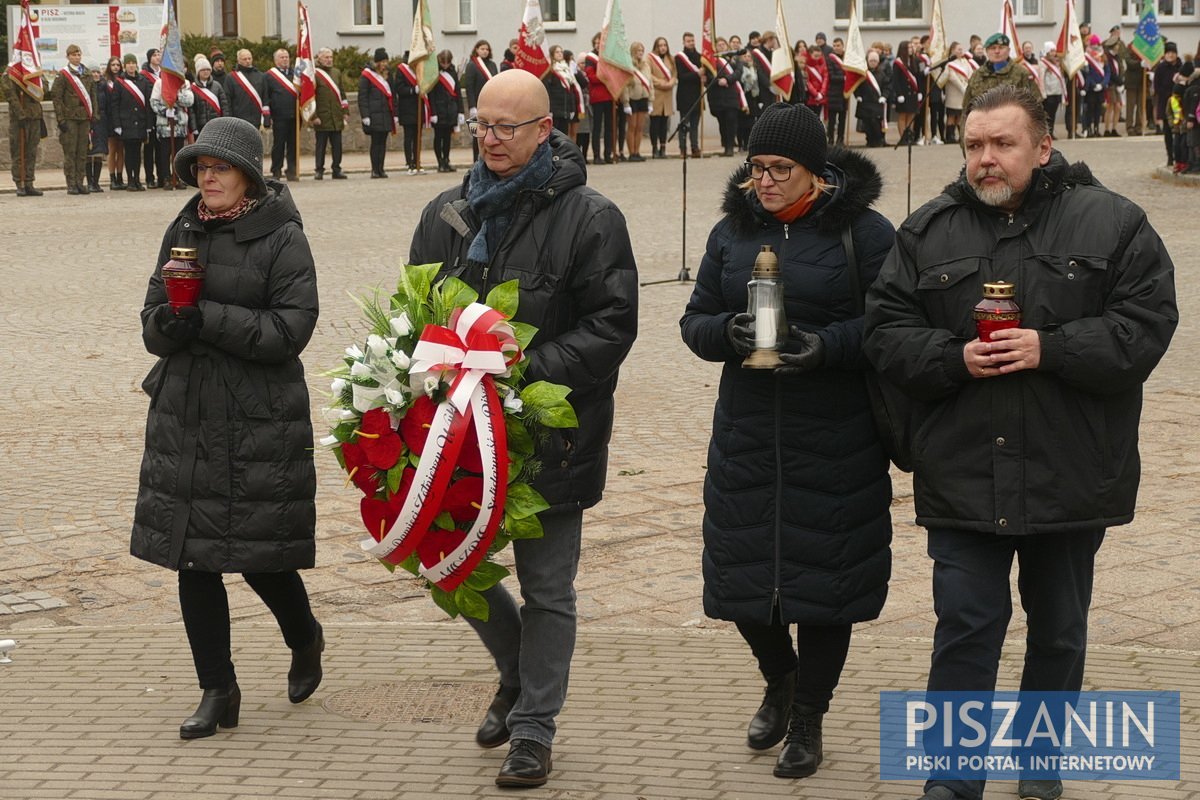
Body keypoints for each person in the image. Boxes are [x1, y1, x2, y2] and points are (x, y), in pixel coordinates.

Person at [864, 85, 1177, 800]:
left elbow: (1146, 327)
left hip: (1069, 470)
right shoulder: (925, 232)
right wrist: (950, 357)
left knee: (1060, 628)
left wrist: (1053, 347)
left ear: (1043, 146)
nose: (985, 160)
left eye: (1002, 144)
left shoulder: (1115, 224)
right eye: (973, 145)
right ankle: (952, 778)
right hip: (962, 469)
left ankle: (1041, 768)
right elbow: (884, 333)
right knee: (967, 624)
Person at [407, 68, 638, 789]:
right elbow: (418, 311)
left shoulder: (591, 217)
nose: (491, 138)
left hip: (548, 433)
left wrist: (521, 371)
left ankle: (534, 728)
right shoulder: (447, 211)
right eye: (482, 123)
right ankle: (513, 671)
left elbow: (612, 325)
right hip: (458, 433)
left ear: (545, 129)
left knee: (548, 588)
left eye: (507, 127)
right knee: (452, 564)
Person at [679, 101, 895, 781]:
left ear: (816, 171)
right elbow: (696, 319)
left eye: (780, 168)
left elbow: (892, 326)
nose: (764, 181)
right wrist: (726, 336)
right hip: (747, 429)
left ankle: (808, 715)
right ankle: (780, 678)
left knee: (828, 581)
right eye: (755, 168)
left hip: (835, 433)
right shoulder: (731, 232)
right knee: (741, 572)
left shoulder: (866, 233)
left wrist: (826, 346)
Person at [132, 115, 325, 741]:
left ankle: (305, 636)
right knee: (195, 556)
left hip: (256, 418)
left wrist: (206, 316)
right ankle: (219, 689)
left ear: (247, 174)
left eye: (219, 168)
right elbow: (151, 318)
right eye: (200, 168)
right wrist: (171, 325)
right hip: (187, 414)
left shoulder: (282, 237)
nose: (207, 177)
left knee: (262, 557)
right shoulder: (183, 226)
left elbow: (288, 332)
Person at [960, 33, 1039, 141]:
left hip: (1012, 138)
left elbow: (1036, 108)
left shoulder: (1021, 74)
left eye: (1001, 47)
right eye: (993, 48)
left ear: (1008, 50)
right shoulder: (977, 75)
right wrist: (964, 141)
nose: (997, 51)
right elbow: (966, 110)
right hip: (981, 138)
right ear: (987, 51)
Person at [51, 44, 98, 195]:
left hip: (84, 117)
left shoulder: (87, 74)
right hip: (70, 118)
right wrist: (61, 119)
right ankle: (71, 183)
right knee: (70, 152)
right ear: (68, 57)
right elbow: (56, 98)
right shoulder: (63, 75)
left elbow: (92, 96)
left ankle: (80, 182)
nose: (76, 57)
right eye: (73, 55)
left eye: (78, 55)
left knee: (82, 152)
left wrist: (94, 116)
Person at [111, 52, 152, 191]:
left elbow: (148, 104)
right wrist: (117, 124)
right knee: (129, 153)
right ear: (125, 65)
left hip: (140, 122)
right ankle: (130, 180)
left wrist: (148, 125)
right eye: (128, 63)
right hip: (126, 123)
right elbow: (114, 104)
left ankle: (137, 180)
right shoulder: (120, 82)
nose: (131, 66)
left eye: (133, 63)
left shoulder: (143, 81)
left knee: (138, 153)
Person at [150, 70, 194, 190]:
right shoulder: (159, 83)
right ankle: (166, 178)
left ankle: (178, 177)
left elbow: (189, 101)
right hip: (164, 124)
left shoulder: (184, 83)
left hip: (179, 124)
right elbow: (153, 102)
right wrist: (165, 111)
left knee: (178, 153)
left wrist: (176, 93)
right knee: (164, 154)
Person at [310, 47, 347, 179]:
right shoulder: (314, 74)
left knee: (337, 145)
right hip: (322, 116)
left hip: (336, 115)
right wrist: (313, 116)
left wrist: (345, 111)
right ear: (319, 58)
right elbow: (310, 97)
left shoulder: (336, 73)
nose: (329, 60)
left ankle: (336, 169)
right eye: (326, 57)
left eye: (331, 57)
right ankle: (319, 169)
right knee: (321, 145)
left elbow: (342, 93)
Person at [359, 48, 396, 178]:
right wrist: (365, 115)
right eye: (382, 61)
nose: (385, 64)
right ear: (377, 62)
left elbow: (393, 96)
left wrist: (394, 114)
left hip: (385, 114)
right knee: (376, 143)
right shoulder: (367, 76)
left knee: (383, 143)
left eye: (386, 61)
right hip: (373, 115)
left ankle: (381, 168)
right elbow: (362, 97)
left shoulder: (388, 75)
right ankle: (374, 169)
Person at [264, 48, 299, 180]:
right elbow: (266, 96)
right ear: (276, 60)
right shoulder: (269, 76)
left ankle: (292, 169)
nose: (285, 59)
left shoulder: (296, 74)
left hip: (294, 115)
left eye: (287, 57)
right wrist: (268, 116)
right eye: (282, 57)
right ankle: (276, 170)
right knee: (279, 145)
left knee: (293, 145)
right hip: (279, 116)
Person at [429, 49, 464, 173]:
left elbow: (457, 92)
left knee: (448, 138)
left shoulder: (452, 72)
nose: (445, 65)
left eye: (447, 63)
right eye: (443, 63)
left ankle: (447, 160)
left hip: (450, 110)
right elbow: (431, 94)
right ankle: (440, 162)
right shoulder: (434, 72)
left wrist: (460, 111)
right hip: (438, 110)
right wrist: (432, 112)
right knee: (439, 137)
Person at [582, 33, 615, 164]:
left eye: (600, 42)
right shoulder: (590, 58)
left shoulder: (608, 56)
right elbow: (591, 77)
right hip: (597, 96)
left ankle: (608, 154)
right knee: (597, 127)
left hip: (609, 95)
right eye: (596, 42)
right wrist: (605, 78)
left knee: (609, 127)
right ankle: (597, 155)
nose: (598, 45)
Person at [708, 37, 744, 157]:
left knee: (731, 120)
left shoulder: (734, 58)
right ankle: (725, 145)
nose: (722, 46)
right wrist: (718, 81)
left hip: (731, 95)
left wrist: (727, 79)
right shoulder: (712, 60)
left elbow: (739, 72)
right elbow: (708, 76)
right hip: (717, 96)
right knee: (722, 122)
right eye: (719, 44)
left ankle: (730, 147)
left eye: (723, 44)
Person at [463, 40, 498, 163]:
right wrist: (472, 106)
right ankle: (476, 161)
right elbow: (469, 86)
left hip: (492, 105)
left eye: (487, 49)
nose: (485, 51)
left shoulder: (492, 65)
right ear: (476, 49)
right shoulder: (472, 65)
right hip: (477, 105)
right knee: (477, 135)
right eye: (482, 49)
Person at [393, 51, 424, 174]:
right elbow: (399, 88)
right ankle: (409, 162)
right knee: (409, 137)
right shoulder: (402, 70)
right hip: (406, 109)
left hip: (418, 109)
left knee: (418, 137)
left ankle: (417, 161)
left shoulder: (420, 69)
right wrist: (413, 90)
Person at [675, 32, 705, 158]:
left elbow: (705, 75)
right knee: (684, 124)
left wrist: (704, 77)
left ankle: (695, 147)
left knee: (694, 125)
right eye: (688, 41)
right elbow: (681, 76)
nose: (691, 43)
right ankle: (683, 149)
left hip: (697, 95)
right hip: (684, 95)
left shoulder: (701, 57)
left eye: (692, 40)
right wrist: (697, 74)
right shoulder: (679, 58)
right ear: (683, 42)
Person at [939, 42, 975, 145]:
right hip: (953, 93)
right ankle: (949, 136)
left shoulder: (964, 61)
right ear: (953, 50)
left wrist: (968, 86)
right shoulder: (950, 63)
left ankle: (961, 136)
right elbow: (952, 78)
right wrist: (963, 88)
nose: (961, 51)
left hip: (964, 91)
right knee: (951, 115)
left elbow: (970, 73)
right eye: (958, 49)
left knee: (960, 115)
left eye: (961, 49)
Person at [620, 41, 651, 161]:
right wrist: (626, 102)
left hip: (643, 97)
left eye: (642, 51)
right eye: (638, 50)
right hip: (632, 99)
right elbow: (625, 86)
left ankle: (637, 152)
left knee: (640, 127)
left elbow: (650, 83)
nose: (640, 53)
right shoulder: (628, 66)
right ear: (633, 51)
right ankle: (631, 152)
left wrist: (650, 100)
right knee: (632, 126)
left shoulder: (646, 65)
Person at [646, 36, 677, 158]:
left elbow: (675, 74)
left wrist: (671, 82)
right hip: (656, 93)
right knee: (655, 122)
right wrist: (661, 83)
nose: (663, 48)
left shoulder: (671, 59)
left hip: (667, 94)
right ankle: (654, 148)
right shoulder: (650, 59)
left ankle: (663, 148)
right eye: (660, 45)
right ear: (656, 47)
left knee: (664, 123)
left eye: (664, 45)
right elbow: (648, 75)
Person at [1153, 42, 1182, 165]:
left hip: (1179, 104)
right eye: (1168, 53)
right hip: (1166, 103)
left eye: (1172, 53)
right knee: (1168, 132)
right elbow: (1157, 85)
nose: (1170, 55)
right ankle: (1170, 156)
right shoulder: (1161, 68)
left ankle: (1180, 157)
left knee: (1180, 132)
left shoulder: (1181, 66)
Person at [227, 49, 269, 130]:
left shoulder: (260, 76)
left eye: (249, 58)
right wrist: (229, 120)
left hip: (256, 119)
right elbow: (228, 100)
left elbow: (265, 98)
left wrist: (266, 119)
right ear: (238, 60)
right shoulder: (231, 77)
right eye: (245, 59)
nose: (248, 61)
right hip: (238, 120)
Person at [854, 50, 888, 148]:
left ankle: (877, 140)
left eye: (875, 61)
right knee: (867, 123)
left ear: (877, 62)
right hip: (865, 102)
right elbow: (857, 86)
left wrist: (884, 96)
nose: (873, 63)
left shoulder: (882, 74)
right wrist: (858, 95)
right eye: (871, 61)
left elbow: (887, 86)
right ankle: (869, 140)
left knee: (875, 123)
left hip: (877, 103)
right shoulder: (863, 73)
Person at [545, 45, 580, 136]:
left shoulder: (567, 70)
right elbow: (548, 92)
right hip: (555, 111)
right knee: (554, 136)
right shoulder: (550, 71)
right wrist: (550, 110)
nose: (560, 54)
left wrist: (572, 109)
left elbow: (571, 92)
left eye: (561, 51)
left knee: (564, 137)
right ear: (552, 54)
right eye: (557, 52)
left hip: (566, 110)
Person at [103, 57, 126, 189]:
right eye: (113, 65)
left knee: (121, 150)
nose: (116, 67)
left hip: (122, 119)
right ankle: (112, 178)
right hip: (110, 119)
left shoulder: (123, 81)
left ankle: (120, 177)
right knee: (112, 150)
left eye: (118, 65)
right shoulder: (105, 82)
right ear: (109, 66)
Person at [892, 41, 921, 145]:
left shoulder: (913, 61)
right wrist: (899, 94)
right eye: (908, 47)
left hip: (912, 93)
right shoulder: (898, 63)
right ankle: (903, 138)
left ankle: (909, 136)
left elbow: (917, 77)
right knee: (903, 116)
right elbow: (895, 80)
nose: (911, 49)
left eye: (911, 47)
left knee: (911, 116)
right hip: (903, 94)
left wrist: (919, 92)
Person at [191, 53, 226, 136]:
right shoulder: (193, 88)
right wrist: (194, 127)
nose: (206, 72)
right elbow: (192, 110)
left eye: (208, 69)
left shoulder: (217, 86)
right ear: (198, 72)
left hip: (216, 124)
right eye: (203, 70)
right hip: (200, 125)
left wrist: (225, 122)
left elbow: (224, 106)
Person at [141, 48, 162, 187]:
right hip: (149, 116)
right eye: (154, 55)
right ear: (149, 58)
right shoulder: (143, 75)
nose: (157, 57)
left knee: (162, 149)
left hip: (163, 115)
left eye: (159, 54)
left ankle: (162, 176)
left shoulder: (165, 74)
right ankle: (149, 177)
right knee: (149, 149)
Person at [86, 65, 108, 193]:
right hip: (90, 121)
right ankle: (89, 182)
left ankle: (96, 183)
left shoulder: (104, 87)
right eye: (93, 72)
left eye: (97, 72)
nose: (95, 74)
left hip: (102, 122)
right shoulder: (86, 86)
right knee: (89, 153)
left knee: (99, 153)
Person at [825, 38, 848, 145]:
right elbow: (832, 76)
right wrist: (843, 78)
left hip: (845, 93)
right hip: (833, 93)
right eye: (834, 46)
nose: (836, 47)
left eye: (838, 45)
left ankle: (840, 140)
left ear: (843, 46)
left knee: (842, 118)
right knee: (832, 119)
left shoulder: (847, 58)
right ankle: (830, 140)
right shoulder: (830, 59)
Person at [1039, 43, 1064, 139]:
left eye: (1054, 51)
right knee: (1047, 115)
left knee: (1053, 115)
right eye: (1051, 51)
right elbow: (1041, 78)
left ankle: (1051, 132)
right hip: (1048, 94)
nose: (1054, 53)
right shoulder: (1043, 63)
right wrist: (1043, 93)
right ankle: (1046, 134)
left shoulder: (1057, 62)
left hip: (1057, 92)